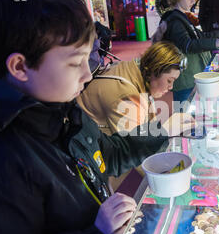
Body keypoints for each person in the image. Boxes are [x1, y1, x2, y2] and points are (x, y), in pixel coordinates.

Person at [0, 0, 193, 234]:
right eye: (74, 63)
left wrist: (161, 130)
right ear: (20, 66)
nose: (88, 75)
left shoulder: (59, 108)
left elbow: (107, 155)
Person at [77, 41, 185, 191]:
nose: (171, 87)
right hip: (91, 158)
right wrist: (166, 176)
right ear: (155, 70)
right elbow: (136, 148)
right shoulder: (127, 97)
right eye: (169, 80)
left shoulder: (133, 70)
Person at [152, 0, 219, 104]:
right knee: (185, 115)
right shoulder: (174, 20)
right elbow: (188, 45)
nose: (193, 0)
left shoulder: (180, 17)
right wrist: (215, 43)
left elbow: (200, 35)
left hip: (190, 76)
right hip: (184, 79)